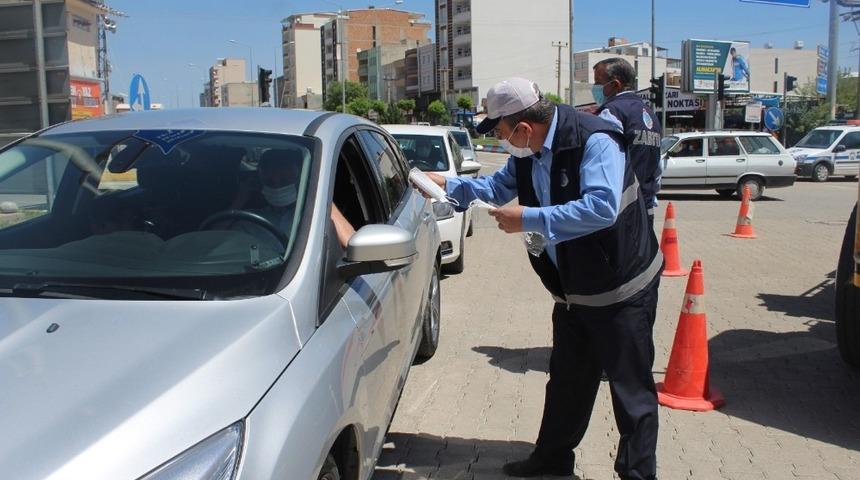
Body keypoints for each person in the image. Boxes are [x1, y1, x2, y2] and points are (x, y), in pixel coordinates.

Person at [414, 78, 662, 480]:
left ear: (523, 127)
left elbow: (602, 208)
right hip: (574, 291)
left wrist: (527, 219)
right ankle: (552, 459)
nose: (499, 138)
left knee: (630, 391)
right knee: (567, 381)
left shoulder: (596, 139)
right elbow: (495, 187)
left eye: (499, 130)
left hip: (621, 287)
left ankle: (637, 474)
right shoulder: (528, 152)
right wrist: (446, 185)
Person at [233, 148, 355, 248]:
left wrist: (318, 194)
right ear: (259, 183)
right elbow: (215, 244)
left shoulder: (316, 217)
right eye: (270, 182)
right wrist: (240, 200)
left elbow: (351, 245)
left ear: (301, 179)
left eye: (285, 181)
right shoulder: (249, 221)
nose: (277, 187)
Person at [593, 57, 663, 225]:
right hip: (645, 207)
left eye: (598, 82)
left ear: (616, 85)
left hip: (620, 212)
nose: (595, 88)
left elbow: (604, 161)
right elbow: (657, 167)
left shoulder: (612, 113)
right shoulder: (649, 113)